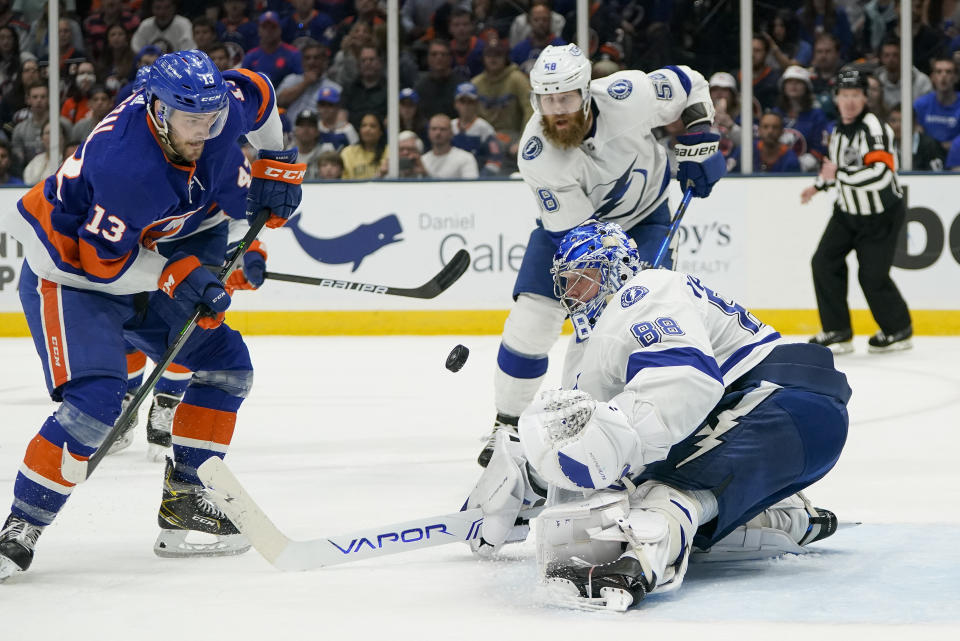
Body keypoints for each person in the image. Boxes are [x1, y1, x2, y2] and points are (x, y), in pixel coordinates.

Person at [0, 49, 306, 581]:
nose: (207, 132)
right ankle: (19, 527)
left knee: (226, 366)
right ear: (158, 111)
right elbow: (103, 266)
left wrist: (273, 160)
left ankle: (186, 497)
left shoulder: (214, 109)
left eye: (213, 121)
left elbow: (261, 93)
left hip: (144, 254)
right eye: (193, 122)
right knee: (95, 405)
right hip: (71, 274)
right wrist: (179, 276)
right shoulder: (124, 164)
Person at [466, 220, 849, 610]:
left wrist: (599, 458)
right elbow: (583, 438)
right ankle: (785, 516)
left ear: (616, 269)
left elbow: (685, 383)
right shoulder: (600, 337)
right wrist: (531, 478)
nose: (574, 293)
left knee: (657, 496)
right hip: (790, 419)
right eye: (567, 283)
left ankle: (630, 565)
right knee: (664, 500)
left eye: (585, 278)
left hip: (778, 400)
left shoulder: (643, 292)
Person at [481, 44, 726, 467]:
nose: (557, 110)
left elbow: (690, 83)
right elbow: (582, 245)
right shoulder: (536, 154)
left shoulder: (628, 93)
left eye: (567, 98)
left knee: (616, 327)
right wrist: (592, 298)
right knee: (530, 325)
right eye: (546, 100)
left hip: (646, 221)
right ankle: (508, 425)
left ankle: (590, 427)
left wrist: (700, 134)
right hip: (574, 236)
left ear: (586, 93)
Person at [800, 69, 912, 354]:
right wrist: (818, 186)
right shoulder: (838, 129)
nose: (849, 101)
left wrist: (838, 174)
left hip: (880, 215)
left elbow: (882, 174)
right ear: (836, 97)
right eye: (844, 95)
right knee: (823, 263)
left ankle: (898, 330)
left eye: (855, 95)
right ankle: (837, 330)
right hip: (847, 212)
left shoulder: (875, 129)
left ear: (866, 97)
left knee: (872, 276)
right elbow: (833, 167)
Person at [912, 56, 960, 151]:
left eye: (948, 72)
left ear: (956, 77)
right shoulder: (920, 105)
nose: (943, 76)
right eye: (939, 72)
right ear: (932, 77)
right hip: (928, 158)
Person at [730, 111, 801, 173]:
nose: (770, 131)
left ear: (782, 131)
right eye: (765, 127)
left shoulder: (790, 158)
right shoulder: (745, 150)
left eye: (775, 127)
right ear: (759, 130)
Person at [421, 113, 478, 178]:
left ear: (451, 133)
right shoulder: (423, 160)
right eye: (434, 129)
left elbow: (471, 185)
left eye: (442, 129)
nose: (438, 133)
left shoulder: (466, 158)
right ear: (428, 133)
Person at [340, 112, 385, 179]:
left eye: (372, 126)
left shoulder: (390, 152)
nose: (367, 129)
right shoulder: (348, 152)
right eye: (364, 126)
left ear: (381, 132)